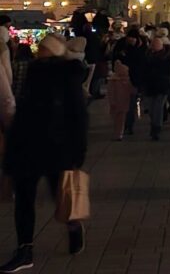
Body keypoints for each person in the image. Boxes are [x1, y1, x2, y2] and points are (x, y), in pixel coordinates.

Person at [0, 34, 88, 272]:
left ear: (55, 51)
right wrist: (13, 148)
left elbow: (78, 115)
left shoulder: (68, 75)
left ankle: (73, 225)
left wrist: (78, 151)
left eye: (44, 48)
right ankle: (24, 249)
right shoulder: (34, 71)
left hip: (56, 147)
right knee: (24, 199)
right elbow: (23, 109)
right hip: (27, 145)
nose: (40, 51)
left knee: (60, 194)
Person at [140, 37, 170, 141]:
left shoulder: (167, 57)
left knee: (158, 108)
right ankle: (154, 125)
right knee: (151, 108)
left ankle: (156, 128)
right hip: (150, 85)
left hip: (162, 86)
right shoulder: (147, 56)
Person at [106, 59, 133, 141]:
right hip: (122, 103)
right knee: (120, 119)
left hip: (116, 103)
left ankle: (118, 133)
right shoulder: (126, 80)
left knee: (117, 119)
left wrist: (112, 101)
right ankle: (119, 133)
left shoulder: (113, 81)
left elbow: (110, 92)